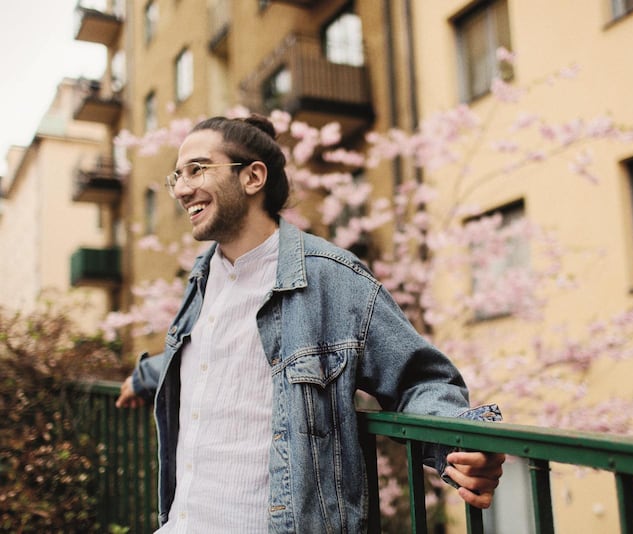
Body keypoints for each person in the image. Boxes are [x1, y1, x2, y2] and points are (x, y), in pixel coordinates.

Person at [115, 113, 505, 533]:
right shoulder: (202, 277)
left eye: (197, 170)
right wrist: (144, 376)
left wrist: (460, 445)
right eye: (178, 175)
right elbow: (203, 354)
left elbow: (418, 379)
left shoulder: (331, 278)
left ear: (253, 178)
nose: (182, 188)